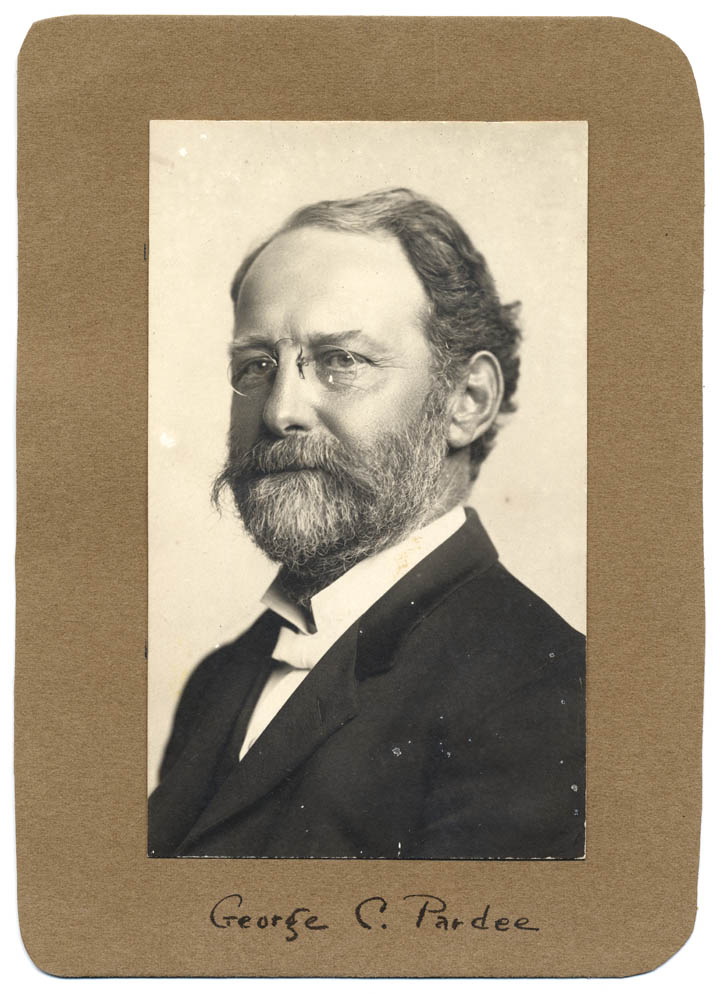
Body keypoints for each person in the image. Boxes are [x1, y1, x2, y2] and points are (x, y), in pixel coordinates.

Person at [148, 188, 585, 860]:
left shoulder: (544, 691)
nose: (280, 411)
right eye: (256, 367)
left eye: (342, 361)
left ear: (467, 402)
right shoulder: (223, 677)